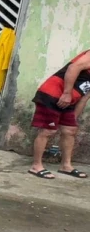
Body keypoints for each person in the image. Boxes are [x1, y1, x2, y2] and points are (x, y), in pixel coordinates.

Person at [29, 51, 90, 179]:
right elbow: (74, 67)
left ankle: (66, 166)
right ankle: (36, 166)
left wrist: (73, 118)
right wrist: (67, 93)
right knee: (48, 131)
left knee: (70, 130)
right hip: (53, 94)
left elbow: (85, 97)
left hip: (70, 100)